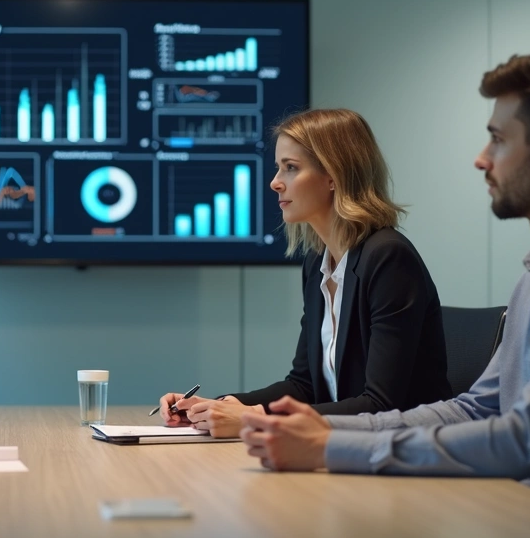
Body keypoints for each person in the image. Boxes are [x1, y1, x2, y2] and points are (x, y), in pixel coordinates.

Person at [239, 49, 530, 534]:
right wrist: (321, 429)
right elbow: (474, 408)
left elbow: (523, 440)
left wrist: (329, 445)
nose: (481, 158)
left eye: (497, 140)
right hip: (518, 516)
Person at [157, 109, 452, 438]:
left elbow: (382, 404)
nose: (275, 182)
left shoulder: (388, 258)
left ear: (333, 177)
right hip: (347, 450)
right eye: (278, 167)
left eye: (291, 168)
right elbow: (304, 385)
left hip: (406, 454)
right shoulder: (317, 262)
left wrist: (255, 418)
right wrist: (219, 407)